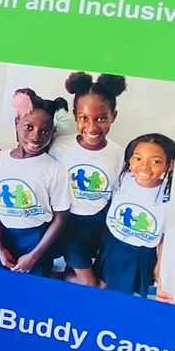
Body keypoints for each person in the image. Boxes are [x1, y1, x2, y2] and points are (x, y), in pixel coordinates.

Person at [0, 89, 73, 274]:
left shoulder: (55, 169)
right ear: (16, 122)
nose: (36, 137)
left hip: (37, 242)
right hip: (3, 239)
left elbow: (61, 218)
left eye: (45, 131)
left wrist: (34, 256)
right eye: (29, 127)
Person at [55, 73, 126, 286]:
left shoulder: (120, 154)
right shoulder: (59, 147)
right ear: (76, 115)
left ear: (113, 115)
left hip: (97, 226)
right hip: (67, 224)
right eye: (84, 118)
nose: (93, 127)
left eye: (101, 118)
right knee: (91, 284)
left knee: (93, 280)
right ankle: (49, 277)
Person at [99, 133, 174, 294]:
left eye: (156, 161)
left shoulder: (170, 196)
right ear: (130, 160)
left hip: (142, 254)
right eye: (138, 158)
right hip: (114, 245)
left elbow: (165, 236)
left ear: (170, 165)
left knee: (131, 295)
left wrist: (160, 266)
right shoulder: (122, 179)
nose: (145, 167)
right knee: (103, 286)